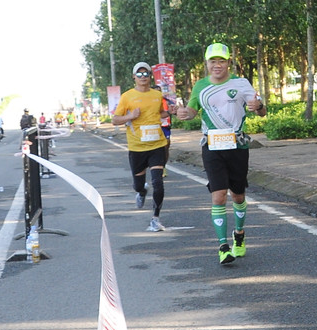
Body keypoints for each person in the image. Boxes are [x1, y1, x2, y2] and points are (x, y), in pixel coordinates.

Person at [175, 43, 268, 265]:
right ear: (206, 63)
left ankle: (239, 235)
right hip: (212, 147)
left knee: (238, 196)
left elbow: (261, 111)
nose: (217, 65)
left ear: (228, 63)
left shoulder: (240, 83)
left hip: (237, 147)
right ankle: (223, 247)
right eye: (213, 61)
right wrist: (184, 113)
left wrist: (259, 105)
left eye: (221, 61)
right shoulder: (200, 87)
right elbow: (192, 110)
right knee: (218, 196)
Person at [112, 61, 171, 232]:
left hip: (157, 144)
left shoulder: (157, 95)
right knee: (138, 184)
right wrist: (130, 115)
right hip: (137, 147)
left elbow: (160, 114)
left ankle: (155, 219)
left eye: (146, 74)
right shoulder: (127, 96)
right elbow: (116, 119)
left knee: (158, 183)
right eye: (139, 74)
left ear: (150, 76)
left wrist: (170, 111)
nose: (143, 77)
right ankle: (141, 191)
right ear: (134, 77)